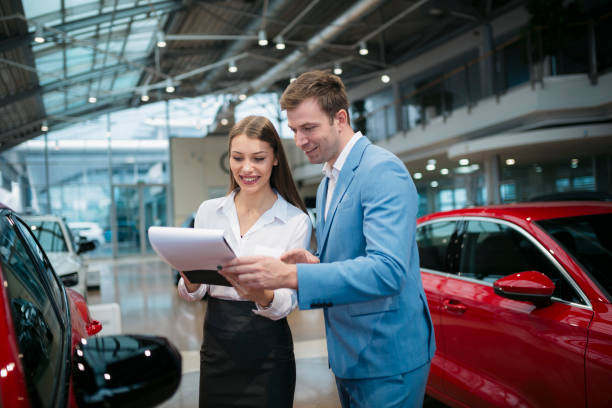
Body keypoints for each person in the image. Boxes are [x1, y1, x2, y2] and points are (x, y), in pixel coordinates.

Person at [221, 71, 435, 407]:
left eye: (308, 128)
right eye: (293, 130)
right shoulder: (327, 183)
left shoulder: (381, 170)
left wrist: (292, 276)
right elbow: (355, 261)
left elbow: (388, 271)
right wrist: (316, 264)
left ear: (340, 118)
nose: (300, 139)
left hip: (387, 357)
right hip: (350, 355)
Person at [177, 115, 312, 408]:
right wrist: (191, 280)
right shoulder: (209, 212)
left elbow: (288, 301)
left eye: (258, 158)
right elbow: (195, 292)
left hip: (268, 353)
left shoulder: (295, 221)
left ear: (275, 158)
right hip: (217, 347)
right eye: (238, 158)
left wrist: (260, 294)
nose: (246, 168)